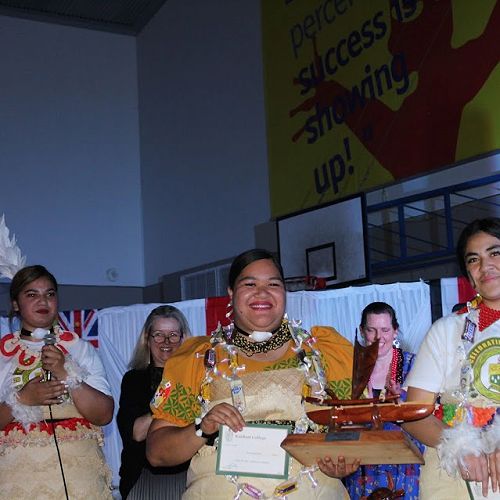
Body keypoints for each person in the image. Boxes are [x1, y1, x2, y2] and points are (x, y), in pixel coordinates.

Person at [146, 249, 358, 498]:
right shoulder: (199, 358)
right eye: (250, 284)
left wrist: (343, 457)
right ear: (231, 293)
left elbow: (356, 431)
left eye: (273, 284)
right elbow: (157, 453)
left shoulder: (323, 353)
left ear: (284, 292)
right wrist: (203, 428)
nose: (262, 292)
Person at [403, 217, 500, 499]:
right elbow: (412, 416)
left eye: (495, 253)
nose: (485, 266)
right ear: (468, 275)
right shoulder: (446, 330)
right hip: (454, 479)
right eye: (474, 260)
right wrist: (460, 448)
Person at [0, 265, 114, 499]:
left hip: (79, 478)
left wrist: (66, 374)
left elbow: (104, 415)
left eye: (50, 294)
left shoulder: (80, 349)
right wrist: (22, 399)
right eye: (32, 294)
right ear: (15, 304)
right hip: (19, 479)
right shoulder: (3, 354)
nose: (43, 301)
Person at [343, 301, 422, 499]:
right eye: (372, 330)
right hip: (361, 467)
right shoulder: (350, 369)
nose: (379, 337)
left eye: (385, 330)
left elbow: (427, 413)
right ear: (363, 331)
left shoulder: (414, 364)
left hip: (402, 466)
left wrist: (402, 398)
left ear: (395, 331)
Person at [117, 305, 191, 499]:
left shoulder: (199, 378)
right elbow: (137, 432)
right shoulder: (134, 380)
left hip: (190, 476)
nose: (166, 341)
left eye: (173, 335)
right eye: (158, 335)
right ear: (147, 339)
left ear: (183, 339)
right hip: (145, 478)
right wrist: (174, 397)